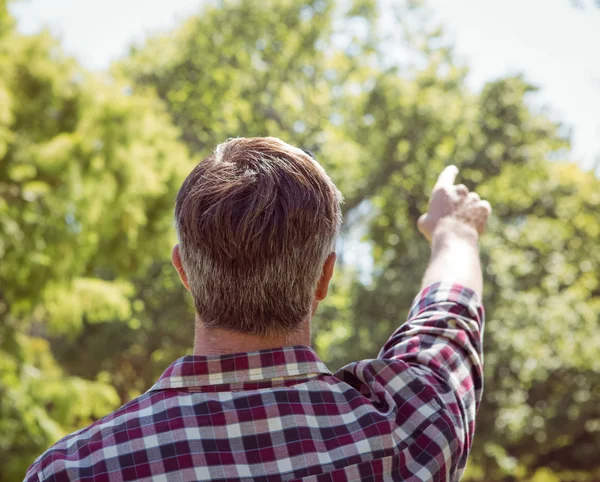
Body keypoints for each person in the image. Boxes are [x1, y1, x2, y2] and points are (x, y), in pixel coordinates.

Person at [25, 137, 490, 482]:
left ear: (183, 271)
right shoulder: (405, 436)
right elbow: (445, 325)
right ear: (325, 277)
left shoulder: (73, 469)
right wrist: (455, 232)